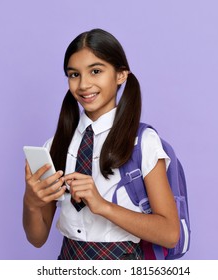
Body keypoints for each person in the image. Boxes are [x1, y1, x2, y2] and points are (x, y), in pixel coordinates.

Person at [23, 28, 180, 260]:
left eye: (95, 71)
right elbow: (37, 239)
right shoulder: (56, 145)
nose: (84, 84)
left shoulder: (142, 142)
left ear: (120, 75)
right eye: (74, 74)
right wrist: (31, 201)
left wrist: (102, 205)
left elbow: (169, 233)